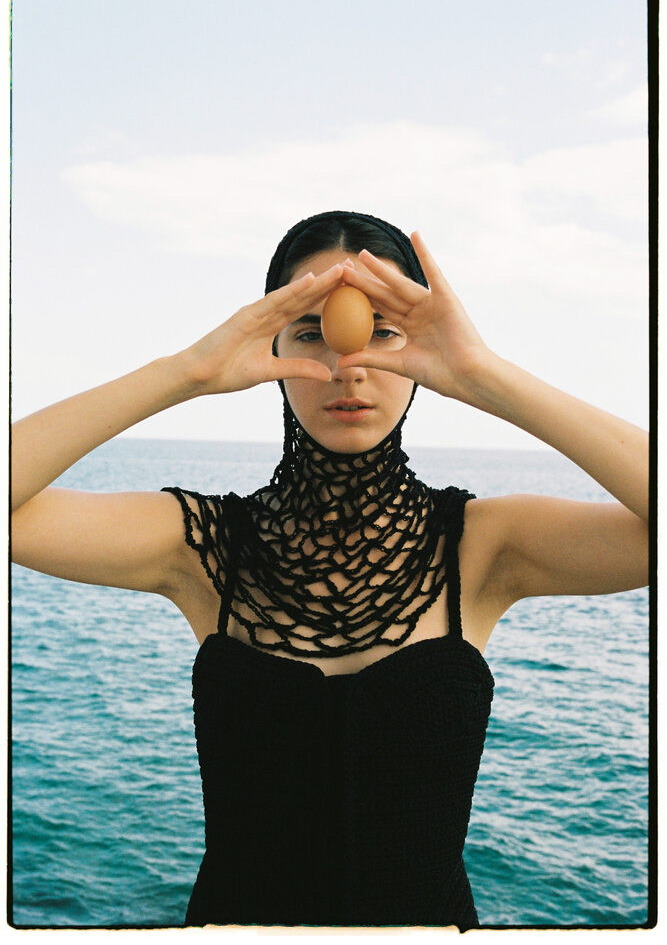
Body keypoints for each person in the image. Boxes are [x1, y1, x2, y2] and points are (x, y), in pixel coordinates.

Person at [11, 210, 648, 929]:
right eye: (310, 332)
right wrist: (185, 374)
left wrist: (482, 373)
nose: (348, 365)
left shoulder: (483, 542)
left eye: (385, 331)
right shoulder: (201, 543)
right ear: (270, 344)